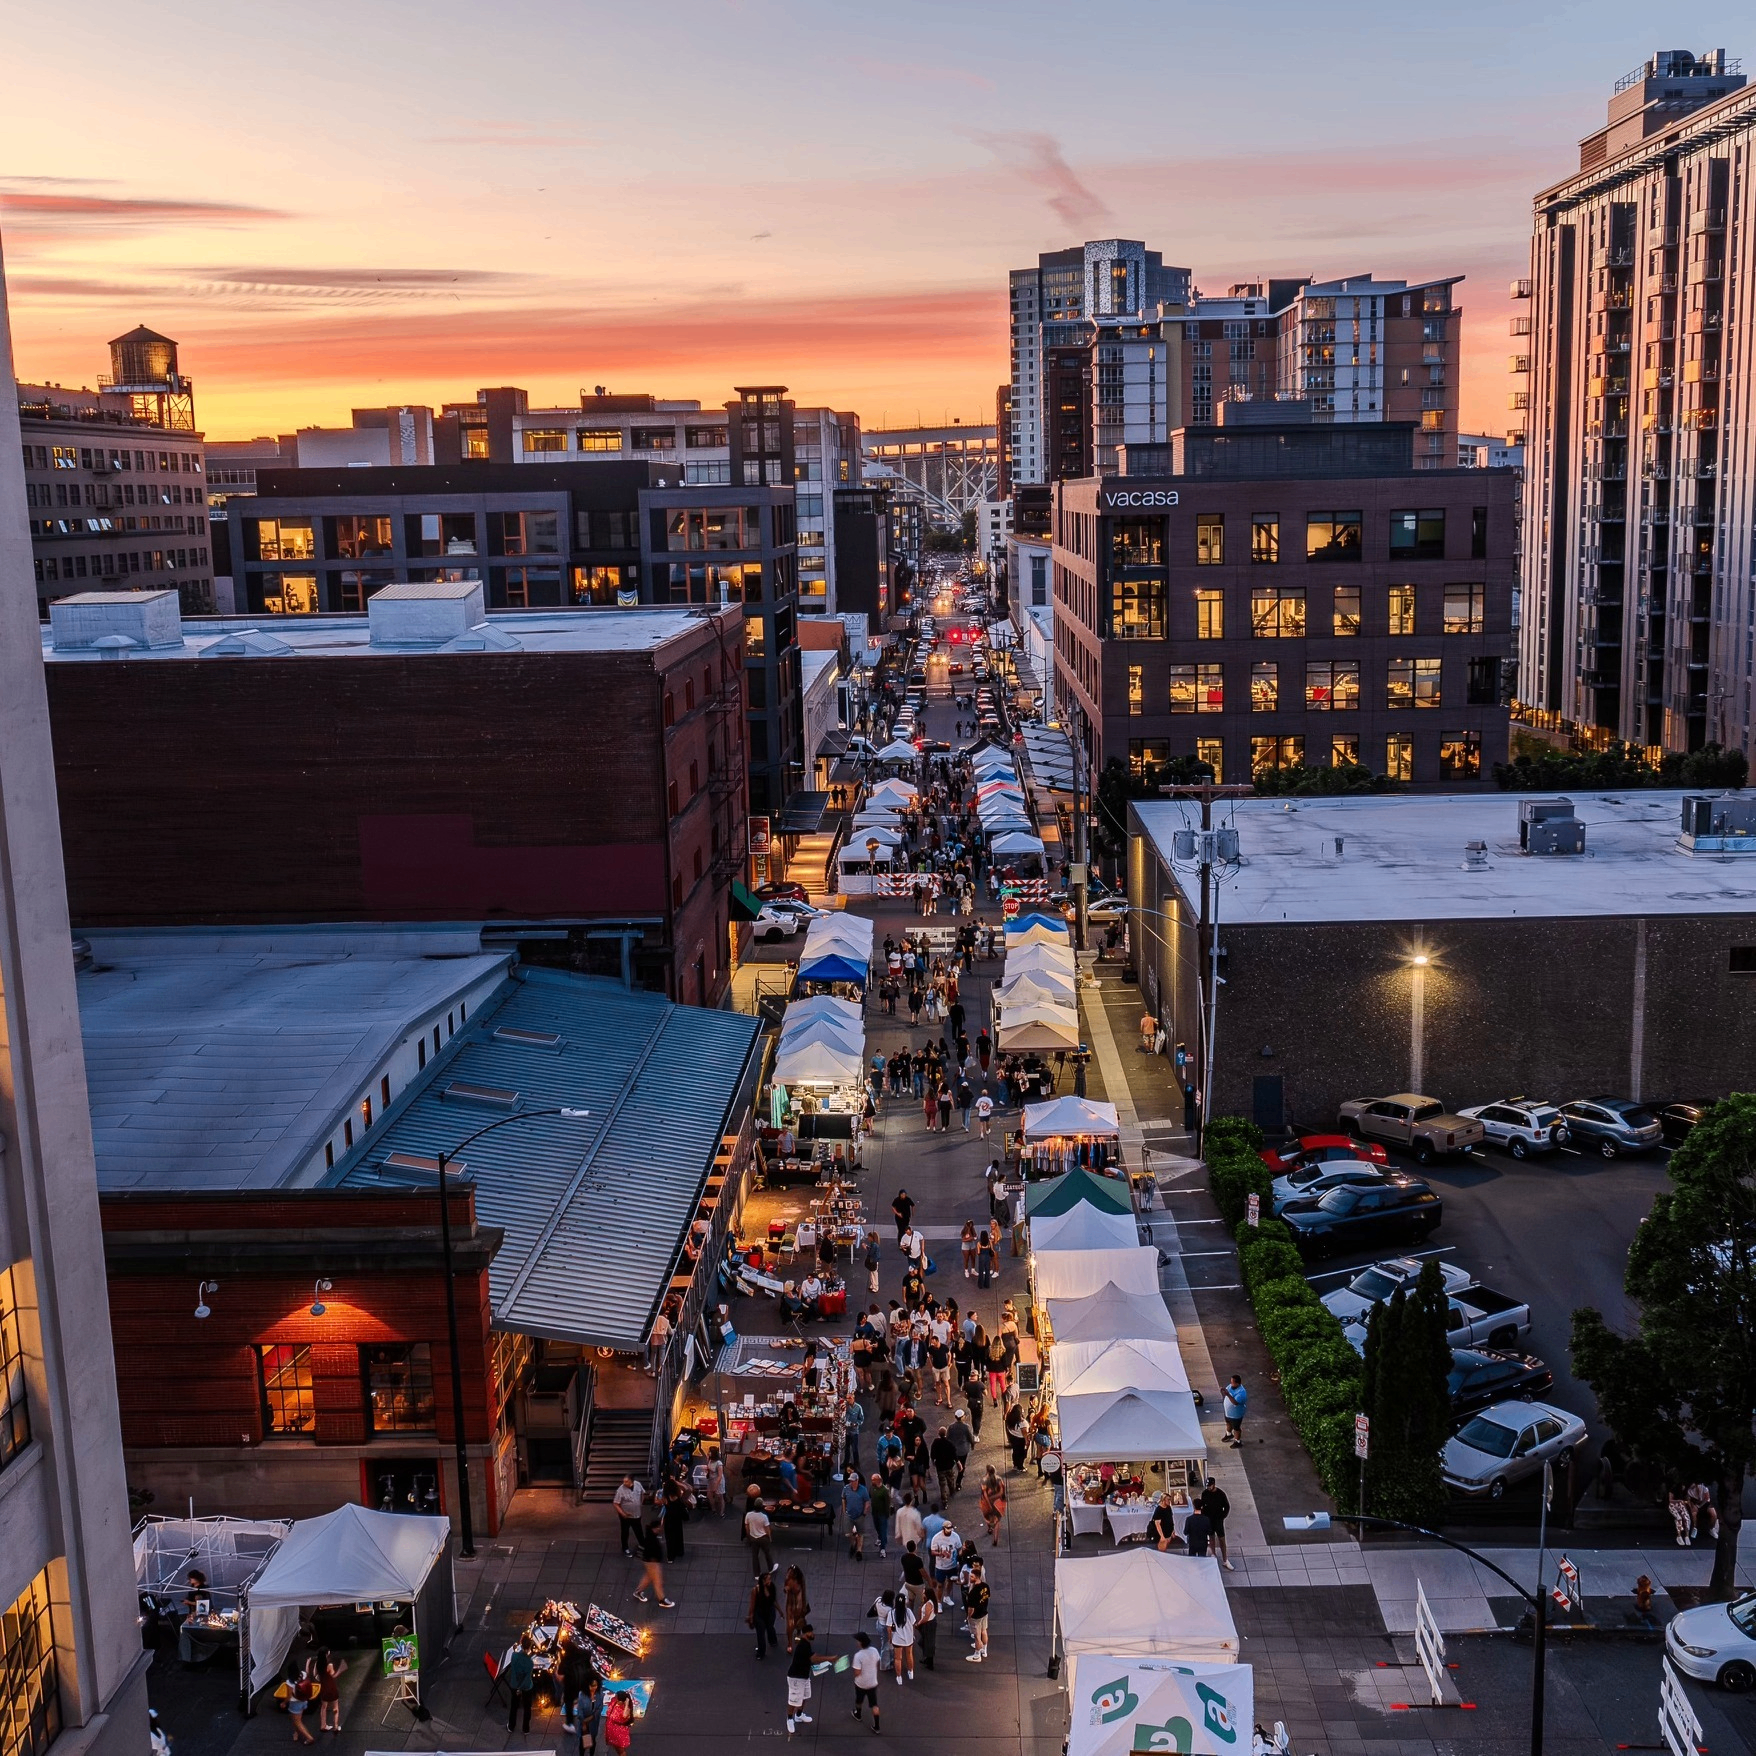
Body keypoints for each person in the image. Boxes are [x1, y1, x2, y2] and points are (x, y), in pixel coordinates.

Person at [560, 1636, 600, 1739]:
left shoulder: (566, 1660)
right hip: (583, 1682)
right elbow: (589, 1655)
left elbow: (560, 1674)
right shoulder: (582, 1653)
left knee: (568, 1702)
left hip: (571, 1685)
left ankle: (570, 1724)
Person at [635, 1514, 675, 1608]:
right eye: (659, 1527)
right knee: (657, 1580)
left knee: (649, 1577)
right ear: (655, 1528)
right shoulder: (651, 1539)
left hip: (651, 1561)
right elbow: (651, 1551)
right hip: (652, 1562)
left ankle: (638, 1591)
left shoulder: (652, 1534)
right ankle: (662, 1599)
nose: (660, 1529)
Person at [785, 1623, 817, 1736]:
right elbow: (814, 1658)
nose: (813, 1634)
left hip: (804, 1676)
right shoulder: (803, 1645)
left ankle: (799, 1715)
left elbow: (808, 1659)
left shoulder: (807, 1644)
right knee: (793, 1700)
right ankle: (789, 1719)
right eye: (811, 1632)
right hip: (795, 1677)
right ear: (806, 1633)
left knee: (805, 1696)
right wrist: (830, 1659)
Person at [850, 1631, 882, 1733]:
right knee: (874, 1704)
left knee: (859, 1700)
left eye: (857, 1641)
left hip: (861, 1684)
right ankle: (876, 1726)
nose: (856, 1643)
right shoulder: (874, 1651)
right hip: (872, 1682)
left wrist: (854, 1675)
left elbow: (857, 1672)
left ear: (861, 1642)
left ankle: (858, 1714)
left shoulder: (858, 1655)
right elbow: (877, 1662)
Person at [502, 1640, 536, 1734]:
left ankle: (511, 1726)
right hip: (526, 1687)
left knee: (514, 1706)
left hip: (514, 1685)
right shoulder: (529, 1662)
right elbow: (526, 1678)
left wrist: (517, 1688)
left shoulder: (514, 1656)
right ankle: (526, 1728)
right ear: (529, 1648)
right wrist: (520, 1688)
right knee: (527, 1707)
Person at [746, 1568, 781, 1658]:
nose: (770, 1581)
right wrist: (751, 1616)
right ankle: (761, 1652)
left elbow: (773, 1600)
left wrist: (780, 1611)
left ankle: (773, 1640)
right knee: (760, 1633)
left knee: (770, 1627)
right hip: (760, 1613)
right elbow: (752, 1605)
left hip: (770, 1612)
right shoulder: (756, 1590)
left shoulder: (772, 1587)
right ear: (763, 1581)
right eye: (768, 1579)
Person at [1200, 1477, 1233, 1570]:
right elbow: (1202, 1505)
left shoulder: (1221, 1494)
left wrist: (1222, 1516)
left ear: (1213, 1484)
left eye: (1210, 1486)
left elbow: (1227, 1506)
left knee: (1222, 1539)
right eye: (1207, 1486)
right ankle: (1213, 1554)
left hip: (1218, 1520)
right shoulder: (1205, 1493)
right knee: (1211, 1538)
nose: (1208, 1488)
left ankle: (1225, 1559)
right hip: (1209, 1519)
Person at [285, 1660, 319, 1745]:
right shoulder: (303, 1674)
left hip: (295, 1704)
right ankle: (296, 1733)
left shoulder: (289, 1682)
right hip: (304, 1701)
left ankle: (309, 1738)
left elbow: (289, 1696)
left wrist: (284, 1703)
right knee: (298, 1719)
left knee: (297, 1722)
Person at [963, 1563, 991, 1663]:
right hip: (984, 1613)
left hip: (976, 1617)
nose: (970, 1578)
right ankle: (984, 1650)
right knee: (984, 1631)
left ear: (976, 1577)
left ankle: (977, 1654)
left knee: (977, 1636)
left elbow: (971, 1609)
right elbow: (987, 1598)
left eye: (972, 1576)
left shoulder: (973, 1592)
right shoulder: (986, 1586)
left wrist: (968, 1617)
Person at [744, 1487, 775, 1576]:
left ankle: (757, 1574)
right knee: (767, 1553)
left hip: (753, 1538)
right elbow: (767, 1528)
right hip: (763, 1538)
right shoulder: (764, 1517)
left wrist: (749, 1536)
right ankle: (770, 1568)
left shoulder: (748, 1515)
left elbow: (746, 1527)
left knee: (755, 1556)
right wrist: (769, 1537)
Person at [613, 1476, 645, 1558]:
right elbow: (616, 1503)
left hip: (637, 1514)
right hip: (626, 1516)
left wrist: (641, 1503)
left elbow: (642, 1493)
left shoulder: (638, 1484)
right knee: (625, 1532)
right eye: (624, 1481)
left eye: (626, 1481)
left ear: (631, 1481)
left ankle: (643, 1545)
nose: (624, 1483)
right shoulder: (620, 1490)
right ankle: (625, 1548)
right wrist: (623, 1514)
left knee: (639, 1531)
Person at [317, 1650, 346, 1734]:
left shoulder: (317, 1665)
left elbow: (316, 1675)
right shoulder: (329, 1665)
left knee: (323, 1707)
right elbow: (333, 1675)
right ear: (327, 1654)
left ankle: (323, 1725)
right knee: (335, 1707)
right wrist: (340, 1670)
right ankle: (336, 1727)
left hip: (323, 1688)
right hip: (331, 1688)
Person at [889, 1589, 916, 1684]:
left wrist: (890, 1638)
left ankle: (899, 1677)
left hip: (897, 1639)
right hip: (908, 1638)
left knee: (898, 1658)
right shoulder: (908, 1612)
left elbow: (889, 1627)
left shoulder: (891, 1613)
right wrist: (912, 1634)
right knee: (909, 1655)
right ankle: (911, 1672)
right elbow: (913, 1623)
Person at [844, 1472, 871, 1560]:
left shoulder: (863, 1490)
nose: (851, 1482)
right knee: (849, 1534)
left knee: (860, 1534)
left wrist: (864, 1513)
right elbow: (843, 1499)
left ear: (857, 1481)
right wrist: (844, 1511)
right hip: (849, 1515)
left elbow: (867, 1501)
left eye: (852, 1481)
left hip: (860, 1516)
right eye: (850, 1481)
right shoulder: (846, 1488)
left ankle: (859, 1551)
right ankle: (853, 1544)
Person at [979, 1465, 1007, 1544]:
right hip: (998, 1503)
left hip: (986, 1503)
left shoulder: (984, 1481)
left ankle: (990, 1528)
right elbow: (1001, 1492)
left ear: (987, 1471)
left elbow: (985, 1494)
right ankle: (995, 1539)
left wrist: (989, 1503)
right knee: (997, 1520)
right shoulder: (999, 1479)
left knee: (988, 1517)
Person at [661, 1481, 687, 1562]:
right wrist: (678, 1483)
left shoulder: (665, 1498)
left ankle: (670, 1556)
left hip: (669, 1519)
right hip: (677, 1519)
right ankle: (679, 1551)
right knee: (678, 1535)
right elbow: (687, 1489)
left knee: (669, 1538)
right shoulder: (678, 1496)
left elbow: (662, 1505)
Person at [602, 1688, 634, 1754]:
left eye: (617, 1698)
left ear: (621, 1701)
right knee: (617, 1749)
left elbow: (624, 1715)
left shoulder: (626, 1709)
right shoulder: (614, 1703)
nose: (615, 1699)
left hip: (619, 1733)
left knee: (621, 1751)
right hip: (611, 1731)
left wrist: (627, 1703)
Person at [869, 1474, 893, 1557]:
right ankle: (880, 1538)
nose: (872, 1481)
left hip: (882, 1514)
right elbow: (870, 1496)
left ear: (878, 1480)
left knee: (883, 1530)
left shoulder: (884, 1490)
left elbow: (887, 1503)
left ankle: (883, 1548)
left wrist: (887, 1514)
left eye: (873, 1480)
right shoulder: (872, 1488)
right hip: (874, 1513)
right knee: (877, 1527)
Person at [1222, 1375, 1248, 1447]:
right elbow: (1227, 1390)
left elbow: (1235, 1402)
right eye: (1231, 1382)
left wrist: (1228, 1394)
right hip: (1228, 1412)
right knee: (1228, 1423)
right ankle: (1229, 1434)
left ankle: (1237, 1441)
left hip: (1236, 1414)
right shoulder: (1231, 1386)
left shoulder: (1242, 1392)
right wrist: (1224, 1391)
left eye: (1232, 1382)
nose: (1231, 1384)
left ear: (1238, 1383)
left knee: (1236, 1428)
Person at [1004, 1401, 1029, 1472]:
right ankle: (1020, 1466)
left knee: (1015, 1452)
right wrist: (1027, 1441)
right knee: (1021, 1453)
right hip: (1020, 1439)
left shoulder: (1010, 1418)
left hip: (1013, 1437)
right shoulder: (1023, 1423)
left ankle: (1015, 1465)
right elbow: (1025, 1433)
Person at [865, 1230, 882, 1295]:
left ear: (872, 1237)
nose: (868, 1238)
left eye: (869, 1237)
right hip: (874, 1261)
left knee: (874, 1274)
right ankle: (872, 1285)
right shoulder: (874, 1244)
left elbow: (871, 1252)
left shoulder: (874, 1245)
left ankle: (875, 1287)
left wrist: (866, 1247)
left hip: (873, 1261)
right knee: (872, 1274)